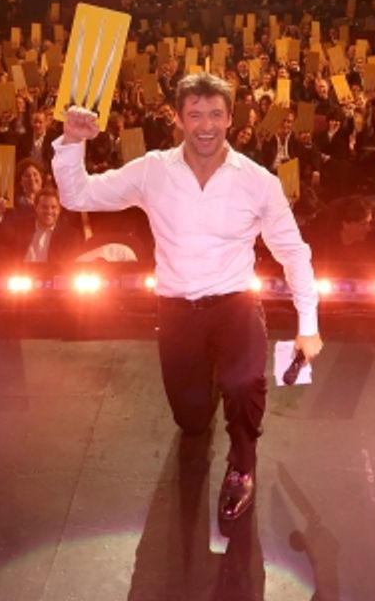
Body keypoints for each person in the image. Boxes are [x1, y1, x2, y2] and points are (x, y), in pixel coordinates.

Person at [52, 72, 322, 522]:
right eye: (194, 114)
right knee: (192, 419)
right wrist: (72, 141)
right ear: (177, 118)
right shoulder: (152, 170)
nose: (206, 125)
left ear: (231, 118)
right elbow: (77, 194)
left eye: (216, 114)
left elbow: (294, 252)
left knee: (242, 384)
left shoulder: (258, 182)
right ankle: (210, 392)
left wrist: (308, 327)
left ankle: (242, 465)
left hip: (236, 303)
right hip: (177, 310)